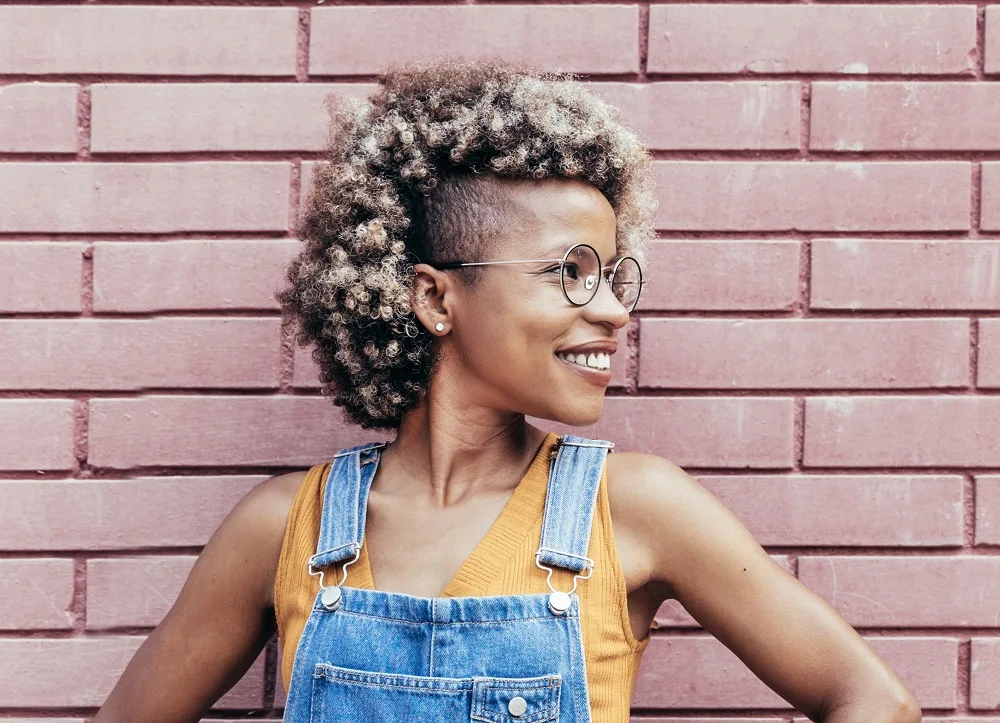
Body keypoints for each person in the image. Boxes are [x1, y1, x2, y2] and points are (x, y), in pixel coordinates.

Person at [94, 58, 920, 723]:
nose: (614, 311)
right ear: (435, 299)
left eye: (612, 275)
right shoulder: (286, 528)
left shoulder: (633, 507)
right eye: (571, 273)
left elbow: (873, 700)